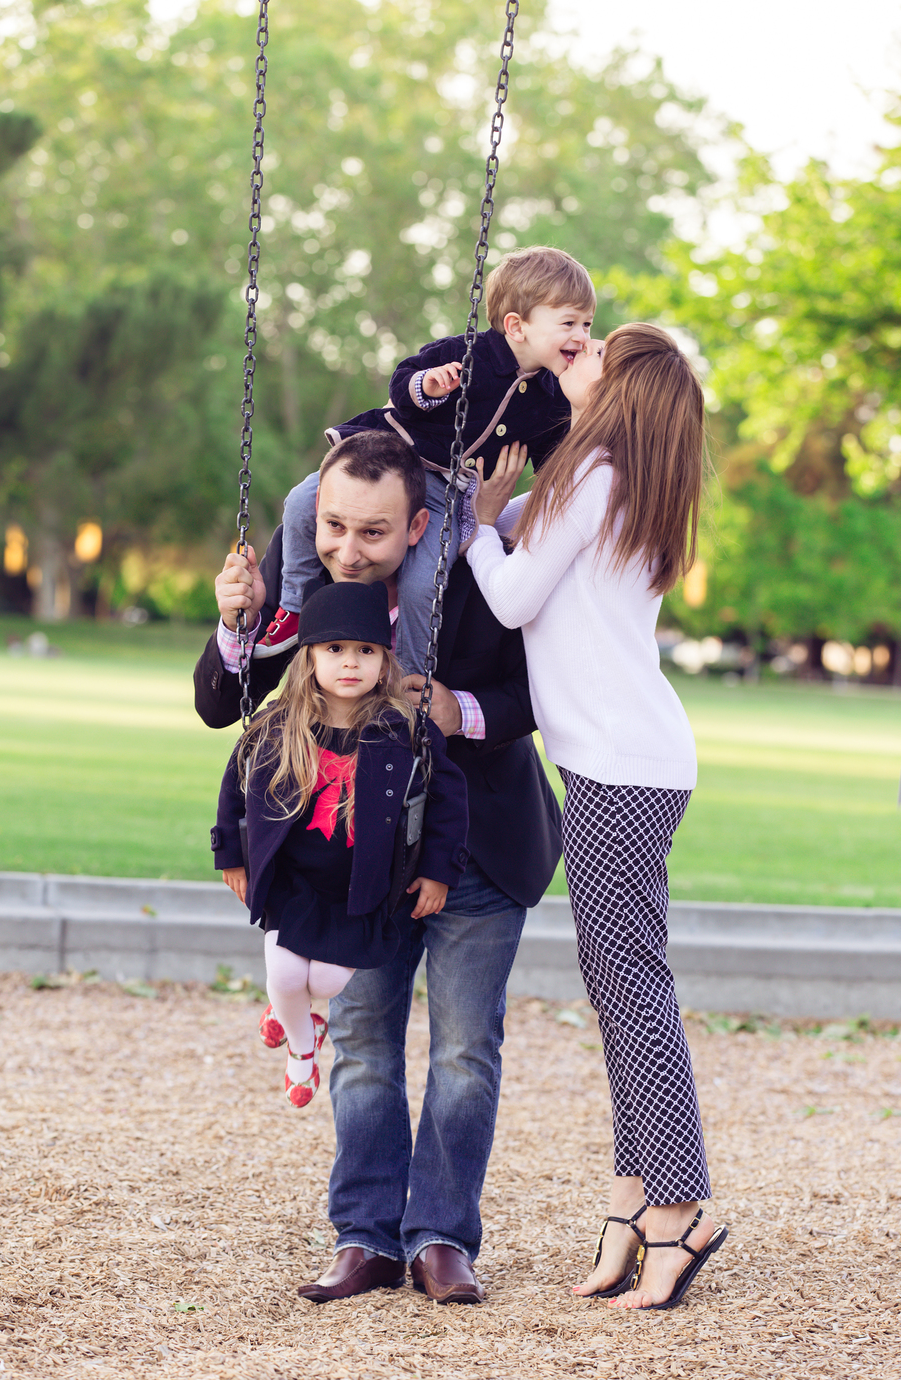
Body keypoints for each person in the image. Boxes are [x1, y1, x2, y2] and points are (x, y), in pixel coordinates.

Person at [194, 429, 562, 1304]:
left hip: (477, 850)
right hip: (351, 869)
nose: (346, 550)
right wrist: (234, 620)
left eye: (372, 533)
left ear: (417, 525)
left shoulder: (475, 567)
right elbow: (221, 704)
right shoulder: (307, 598)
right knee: (361, 1042)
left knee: (467, 1048)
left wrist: (458, 710)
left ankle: (441, 1236)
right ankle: (365, 1236)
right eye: (332, 527)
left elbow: (534, 693)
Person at [463, 323, 728, 1312]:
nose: (582, 347)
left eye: (598, 350)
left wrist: (477, 526)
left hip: (619, 769)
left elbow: (510, 598)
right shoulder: (616, 481)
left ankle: (680, 1208)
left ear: (621, 390)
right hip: (630, 762)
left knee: (629, 991)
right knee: (617, 985)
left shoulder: (594, 479)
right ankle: (632, 1193)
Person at [253, 245, 595, 674]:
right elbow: (402, 381)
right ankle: (293, 610)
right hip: (383, 457)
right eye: (569, 323)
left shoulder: (551, 399)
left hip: (443, 495)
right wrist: (427, 388)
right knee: (303, 501)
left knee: (423, 581)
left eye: (587, 324)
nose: (582, 337)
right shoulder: (467, 352)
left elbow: (556, 471)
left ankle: (412, 675)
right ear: (517, 325)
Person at [212, 579, 469, 1110]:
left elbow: (449, 801)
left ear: (384, 660)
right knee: (284, 974)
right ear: (309, 659)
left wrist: (440, 870)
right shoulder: (279, 727)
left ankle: (300, 1016)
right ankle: (301, 1054)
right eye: (335, 650)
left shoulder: (404, 730)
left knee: (325, 982)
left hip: (360, 889)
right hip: (294, 882)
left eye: (366, 651)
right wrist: (230, 855)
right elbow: (232, 790)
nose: (350, 663)